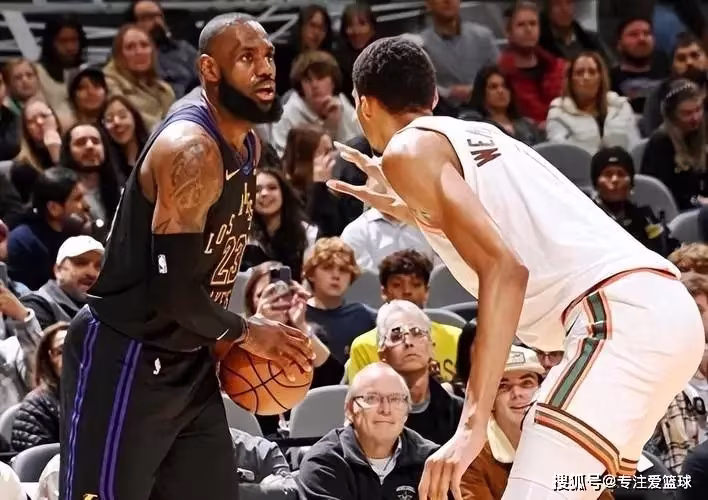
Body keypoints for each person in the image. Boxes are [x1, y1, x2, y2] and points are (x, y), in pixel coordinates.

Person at [328, 36, 704, 500]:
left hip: (616, 317)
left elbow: (506, 270)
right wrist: (416, 212)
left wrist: (470, 426)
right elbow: (509, 226)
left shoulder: (407, 149)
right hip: (667, 312)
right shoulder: (481, 135)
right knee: (589, 489)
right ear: (434, 97)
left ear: (363, 104)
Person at [59, 14, 314, 500]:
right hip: (128, 352)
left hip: (188, 356)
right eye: (246, 57)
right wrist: (245, 332)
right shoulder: (191, 149)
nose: (265, 68)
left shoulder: (247, 143)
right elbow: (172, 291)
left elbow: (206, 272)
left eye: (268, 56)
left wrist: (218, 340)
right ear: (209, 69)